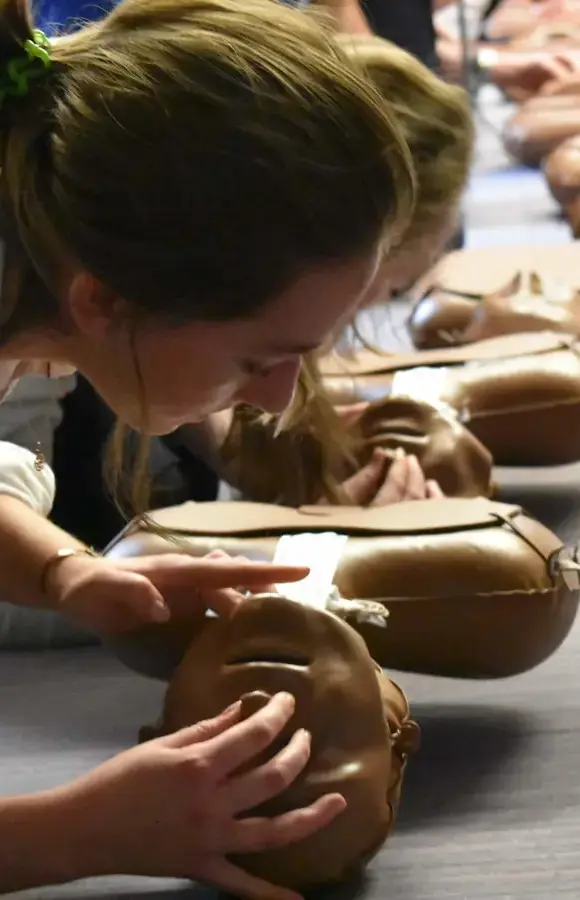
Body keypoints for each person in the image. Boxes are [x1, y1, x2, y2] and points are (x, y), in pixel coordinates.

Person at [0, 0, 417, 893]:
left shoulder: (33, 306)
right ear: (106, 304)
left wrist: (65, 577)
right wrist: (68, 835)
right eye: (262, 358)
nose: (273, 398)